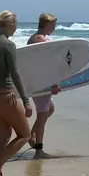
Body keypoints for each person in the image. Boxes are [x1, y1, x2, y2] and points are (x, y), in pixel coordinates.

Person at [0, 10, 32, 176]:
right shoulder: (8, 44)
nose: (17, 26)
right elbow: (15, 73)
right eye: (16, 23)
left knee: (4, 136)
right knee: (25, 135)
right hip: (4, 96)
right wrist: (26, 101)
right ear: (10, 24)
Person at [27, 13, 61, 159]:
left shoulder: (35, 38)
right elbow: (49, 63)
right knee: (42, 115)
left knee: (49, 109)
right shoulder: (40, 39)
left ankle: (30, 135)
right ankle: (38, 151)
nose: (54, 28)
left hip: (37, 81)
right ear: (46, 24)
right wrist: (54, 82)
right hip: (41, 83)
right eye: (53, 25)